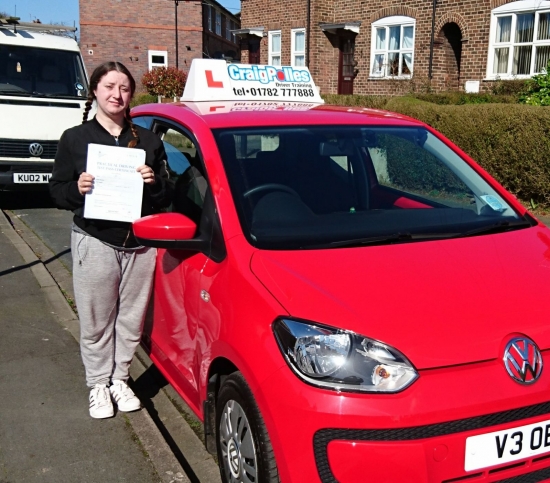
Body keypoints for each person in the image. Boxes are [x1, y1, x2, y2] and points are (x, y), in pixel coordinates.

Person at [49, 61, 173, 419]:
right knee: (96, 319)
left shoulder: (148, 141)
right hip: (96, 240)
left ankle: (121, 379)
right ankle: (98, 385)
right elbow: (56, 192)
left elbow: (167, 195)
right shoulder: (75, 138)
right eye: (109, 87)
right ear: (95, 91)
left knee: (131, 320)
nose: (117, 95)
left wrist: (155, 182)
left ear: (131, 94)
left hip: (140, 244)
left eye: (124, 88)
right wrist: (78, 188)